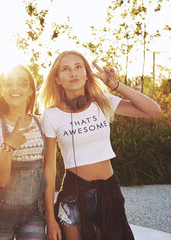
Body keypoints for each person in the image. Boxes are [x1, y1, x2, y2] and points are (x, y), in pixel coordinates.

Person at [39, 50, 161, 240]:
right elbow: (49, 167)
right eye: (66, 69)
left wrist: (115, 85)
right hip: (73, 196)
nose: (73, 73)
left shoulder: (103, 102)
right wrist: (50, 217)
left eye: (79, 67)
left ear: (87, 74)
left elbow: (153, 110)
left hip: (109, 191)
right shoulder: (51, 115)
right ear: (57, 79)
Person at [0, 64, 47, 240]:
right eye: (9, 83)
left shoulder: (41, 123)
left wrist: (49, 215)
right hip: (0, 213)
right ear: (1, 90)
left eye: (22, 83)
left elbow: (49, 169)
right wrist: (9, 146)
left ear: (30, 91)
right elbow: (1, 180)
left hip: (34, 212)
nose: (15, 87)